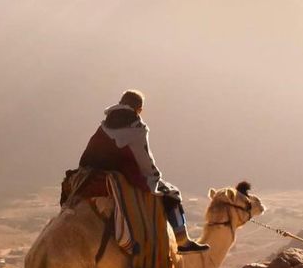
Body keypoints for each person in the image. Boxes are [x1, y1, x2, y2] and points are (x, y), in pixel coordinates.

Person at [79, 89, 208, 253]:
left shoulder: (105, 124)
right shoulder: (137, 128)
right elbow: (145, 160)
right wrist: (156, 177)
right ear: (139, 109)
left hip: (88, 174)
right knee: (172, 194)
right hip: (120, 174)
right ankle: (182, 240)